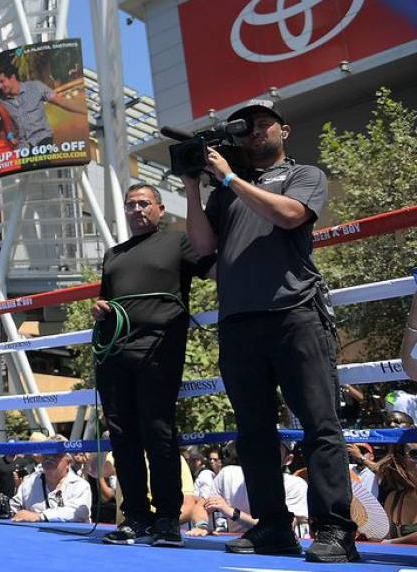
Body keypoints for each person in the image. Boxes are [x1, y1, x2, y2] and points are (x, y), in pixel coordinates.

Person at [183, 99, 357, 562]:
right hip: (239, 321)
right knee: (253, 431)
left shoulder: (304, 175)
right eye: (247, 127)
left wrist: (229, 178)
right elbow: (202, 252)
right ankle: (273, 528)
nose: (255, 132)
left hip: (295, 313)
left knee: (320, 425)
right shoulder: (222, 193)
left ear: (284, 130)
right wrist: (189, 185)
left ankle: (335, 531)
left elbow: (290, 215)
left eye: (264, 124)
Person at [93, 183, 213, 546]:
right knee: (123, 437)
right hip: (115, 355)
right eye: (130, 205)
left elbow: (212, 266)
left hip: (158, 350)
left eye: (144, 204)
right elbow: (106, 299)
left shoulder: (178, 242)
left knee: (158, 432)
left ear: (160, 209)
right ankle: (136, 519)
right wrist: (99, 308)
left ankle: (166, 519)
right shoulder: (114, 254)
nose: (137, 210)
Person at [0, 61, 85, 152]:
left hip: (43, 140)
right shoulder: (2, 103)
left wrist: (85, 110)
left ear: (12, 78)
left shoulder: (36, 87)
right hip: (22, 148)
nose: (0, 86)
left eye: (2, 81)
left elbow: (61, 101)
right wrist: (10, 138)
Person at [8, 438, 92, 523]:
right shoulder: (29, 483)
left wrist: (40, 516)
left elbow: (78, 512)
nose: (49, 458)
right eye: (46, 455)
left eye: (56, 455)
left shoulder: (80, 485)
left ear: (69, 462)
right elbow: (14, 507)